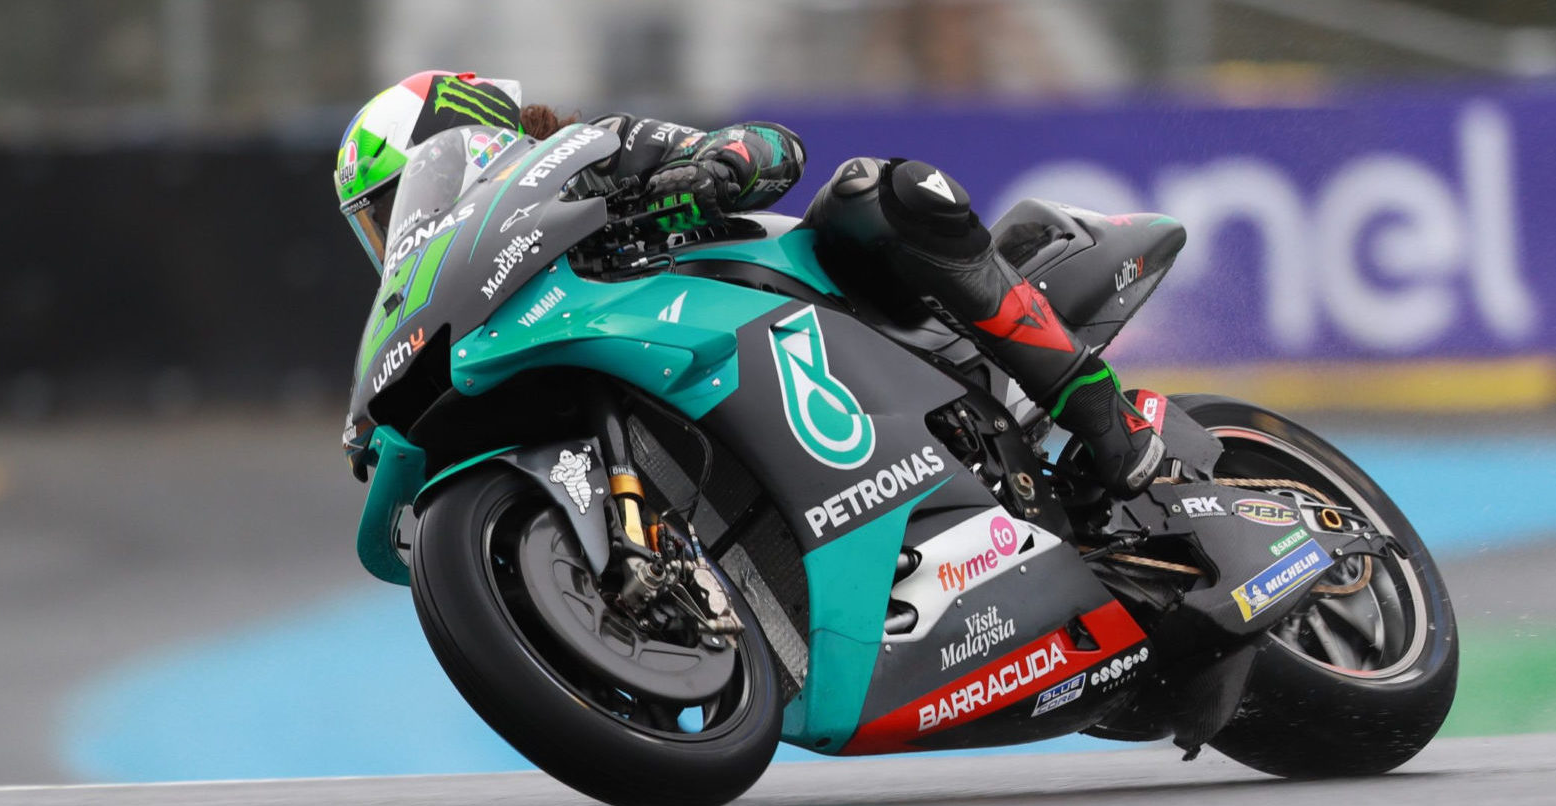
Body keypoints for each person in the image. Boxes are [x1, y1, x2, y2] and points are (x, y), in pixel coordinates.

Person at [334, 71, 1162, 497]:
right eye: (373, 224)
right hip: (722, 400)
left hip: (817, 311)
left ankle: (1109, 423)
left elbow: (774, 146)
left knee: (873, 192)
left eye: (391, 202)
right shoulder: (494, 307)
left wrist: (718, 163)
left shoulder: (590, 151)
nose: (395, 231)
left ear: (466, 141)